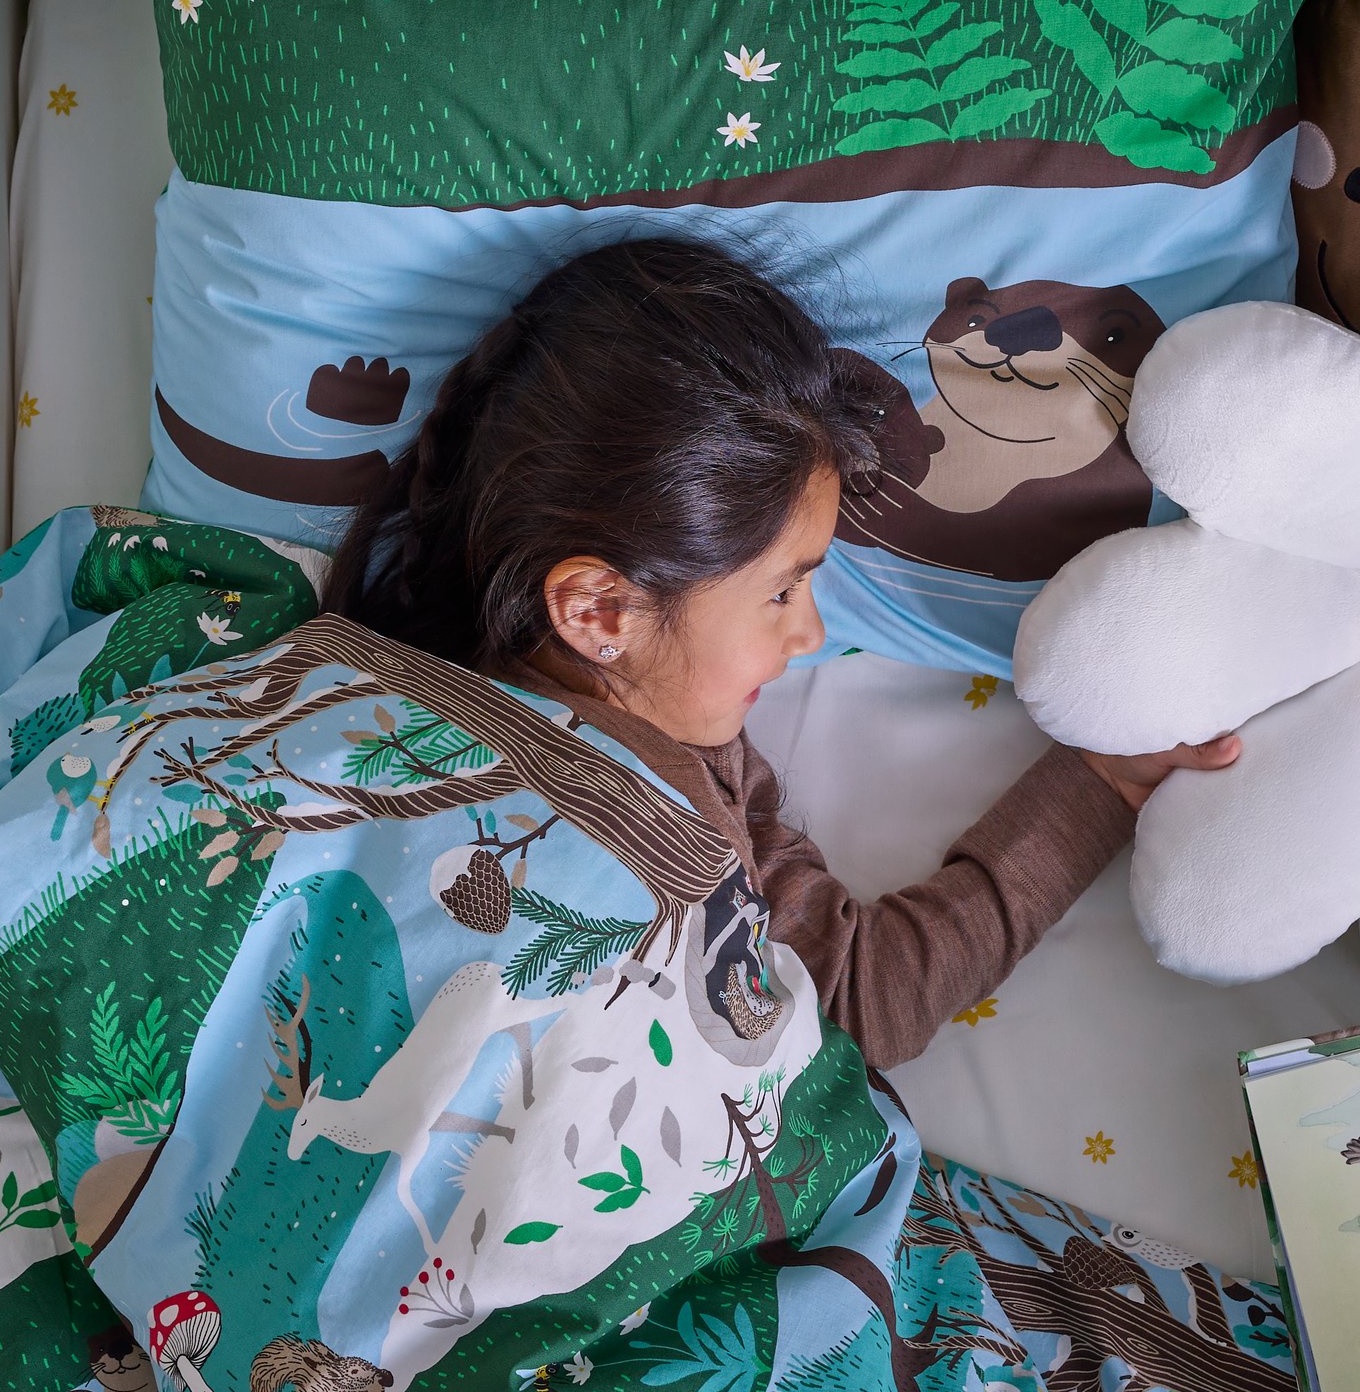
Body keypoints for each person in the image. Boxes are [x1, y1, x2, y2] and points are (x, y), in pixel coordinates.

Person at [321, 235, 1239, 1069]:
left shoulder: (685, 741)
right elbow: (858, 1012)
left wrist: (1099, 781)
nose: (812, 636)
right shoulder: (669, 763)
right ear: (601, 610)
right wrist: (1098, 783)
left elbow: (850, 992)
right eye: (781, 591)